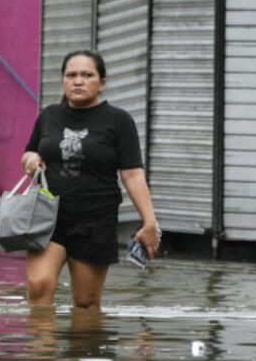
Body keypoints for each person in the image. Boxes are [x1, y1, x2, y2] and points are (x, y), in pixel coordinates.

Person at [21, 49, 161, 308]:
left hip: (95, 220)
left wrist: (149, 220)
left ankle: (84, 349)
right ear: (63, 80)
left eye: (87, 75)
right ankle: (41, 350)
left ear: (101, 82)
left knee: (85, 302)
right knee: (39, 288)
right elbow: (30, 151)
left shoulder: (119, 121)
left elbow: (132, 174)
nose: (78, 80)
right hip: (48, 216)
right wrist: (30, 159)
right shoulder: (49, 115)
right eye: (71, 75)